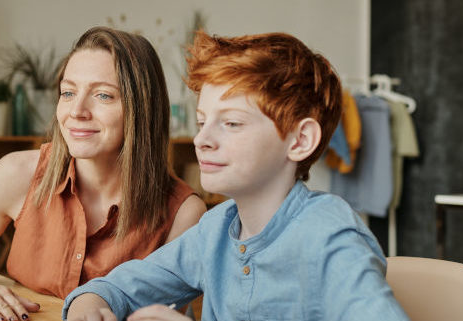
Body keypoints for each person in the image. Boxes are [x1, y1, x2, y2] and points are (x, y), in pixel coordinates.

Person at [63, 31, 409, 321]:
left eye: (231, 123)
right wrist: (90, 306)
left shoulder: (330, 234)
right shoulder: (216, 230)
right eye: (202, 122)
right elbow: (115, 287)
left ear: (300, 140)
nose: (202, 140)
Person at [0, 26, 206, 321]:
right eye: (68, 92)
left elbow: (164, 315)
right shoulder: (18, 173)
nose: (76, 110)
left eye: (103, 95)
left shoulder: (183, 213)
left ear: (142, 108)